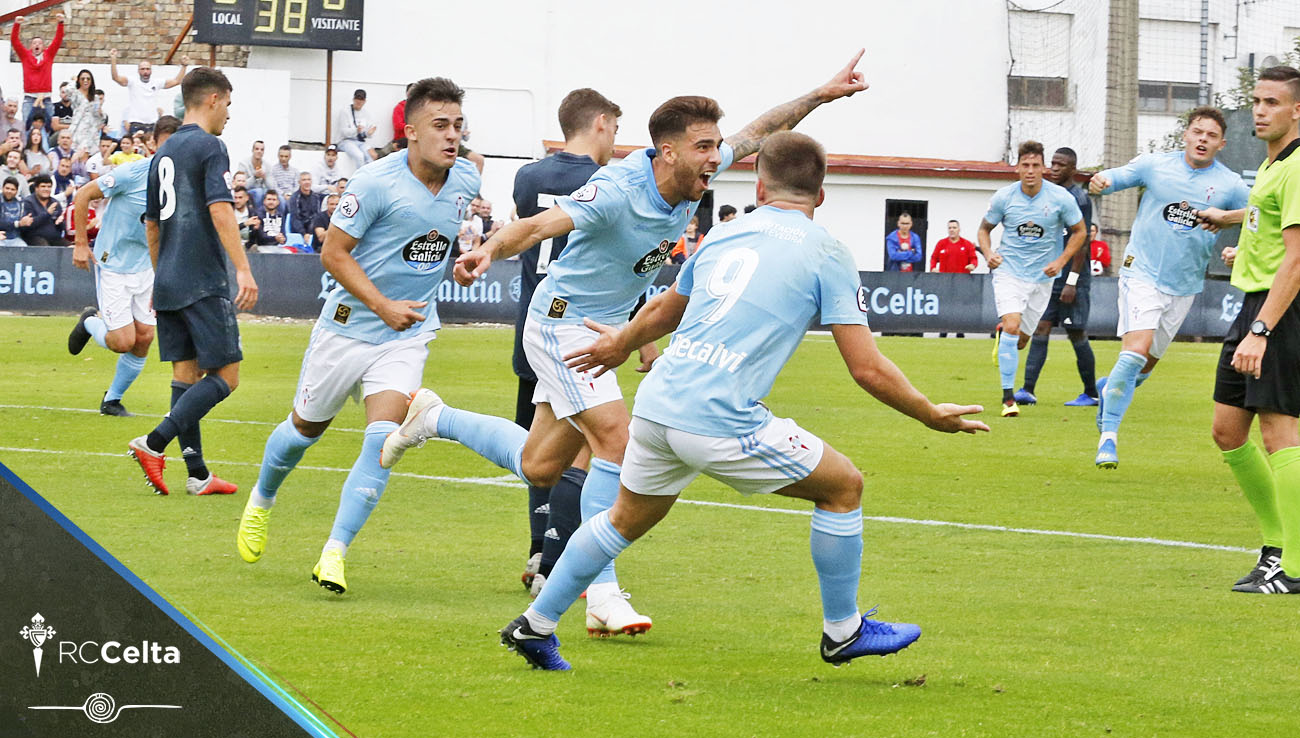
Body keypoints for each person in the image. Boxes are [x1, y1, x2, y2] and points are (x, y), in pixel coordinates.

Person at [382, 51, 870, 636]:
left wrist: (823, 92)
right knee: (617, 437)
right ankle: (602, 596)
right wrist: (488, 250)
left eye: (718, 146)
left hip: (607, 330)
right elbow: (540, 226)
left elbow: (764, 129)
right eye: (705, 147)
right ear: (668, 152)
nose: (718, 157)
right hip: (562, 323)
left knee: (541, 464)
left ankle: (435, 418)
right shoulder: (616, 188)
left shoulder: (698, 170)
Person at [498, 131, 989, 671]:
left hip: (659, 407)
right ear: (820, 195)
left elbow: (665, 309)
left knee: (621, 521)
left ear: (758, 186)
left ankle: (535, 626)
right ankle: (843, 632)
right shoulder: (828, 252)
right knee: (844, 486)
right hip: (719, 417)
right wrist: (929, 412)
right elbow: (866, 367)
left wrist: (620, 342)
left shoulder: (723, 234)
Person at [234, 77, 481, 594]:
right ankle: (261, 499)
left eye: (458, 125)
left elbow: (434, 246)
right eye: (440, 125)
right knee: (303, 431)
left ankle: (334, 552)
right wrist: (381, 304)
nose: (452, 135)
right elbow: (334, 254)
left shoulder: (467, 179)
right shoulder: (373, 182)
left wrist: (458, 268)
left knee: (383, 441)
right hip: (347, 329)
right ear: (409, 131)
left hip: (407, 334)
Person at [1085, 108, 1250, 470]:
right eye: (1197, 131)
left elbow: (1260, 216)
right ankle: (1108, 438)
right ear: (1186, 135)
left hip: (1185, 285)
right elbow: (1119, 176)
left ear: (1221, 144)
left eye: (1211, 135)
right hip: (1140, 272)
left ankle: (1108, 388)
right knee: (1135, 352)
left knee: (1141, 370)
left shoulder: (1230, 185)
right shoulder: (1155, 165)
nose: (1203, 139)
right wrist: (1103, 180)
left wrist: (1236, 240)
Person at [507, 88, 622, 596]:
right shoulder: (609, 183)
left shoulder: (528, 177)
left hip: (531, 325)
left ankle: (540, 551)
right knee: (583, 451)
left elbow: (527, 232)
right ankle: (562, 565)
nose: (616, 141)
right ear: (599, 122)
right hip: (581, 330)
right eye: (616, 128)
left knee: (539, 454)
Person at [127, 67, 258, 497]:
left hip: (167, 277)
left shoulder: (161, 155)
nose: (229, 115)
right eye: (229, 105)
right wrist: (243, 268)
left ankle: (198, 474)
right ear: (214, 100)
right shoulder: (210, 146)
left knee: (186, 375)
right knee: (228, 374)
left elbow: (151, 225)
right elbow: (221, 209)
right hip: (202, 278)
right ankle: (154, 443)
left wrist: (162, 273)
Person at [1193, 66, 1300, 594]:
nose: (1260, 110)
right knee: (1227, 430)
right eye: (1256, 100)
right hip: (1255, 305)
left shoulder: (1299, 166)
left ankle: (1295, 566)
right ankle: (1276, 549)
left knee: (1280, 433)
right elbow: (1273, 226)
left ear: (1297, 110)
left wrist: (1261, 328)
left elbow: (1298, 260)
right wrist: (1236, 225)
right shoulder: (1273, 166)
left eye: (1273, 102)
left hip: (1278, 313)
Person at [66, 116, 184, 419]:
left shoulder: (180, 184)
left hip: (146, 267)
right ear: (154, 144)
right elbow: (83, 195)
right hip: (114, 264)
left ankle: (112, 400)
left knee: (144, 337)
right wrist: (81, 243)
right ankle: (90, 321)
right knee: (122, 342)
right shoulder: (131, 173)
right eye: (166, 145)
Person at [976, 140, 1086, 417]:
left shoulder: (1060, 198)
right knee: (1013, 325)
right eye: (1025, 165)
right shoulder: (1004, 197)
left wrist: (1061, 261)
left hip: (1042, 278)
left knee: (1022, 339)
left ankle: (1005, 337)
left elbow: (1080, 232)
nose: (1030, 170)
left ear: (1043, 168)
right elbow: (983, 229)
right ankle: (1008, 399)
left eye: (1035, 165)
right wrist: (989, 253)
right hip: (1009, 272)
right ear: (1017, 168)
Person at [1015, 147, 1098, 408]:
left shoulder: (1080, 198)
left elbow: (1081, 240)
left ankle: (1091, 393)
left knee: (1076, 333)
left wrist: (1072, 281)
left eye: (1060, 165)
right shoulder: (1050, 195)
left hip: (1073, 277)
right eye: (1052, 163)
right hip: (1049, 275)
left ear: (1072, 169)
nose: (1054, 169)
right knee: (1041, 327)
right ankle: (1027, 390)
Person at [109, 49, 187, 136]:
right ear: (138, 71)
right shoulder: (132, 81)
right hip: (136, 123)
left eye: (147, 69)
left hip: (152, 124)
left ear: (151, 70)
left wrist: (184, 66)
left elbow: (176, 81)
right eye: (142, 69)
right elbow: (116, 78)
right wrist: (113, 59)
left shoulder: (156, 82)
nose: (145, 72)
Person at [11, 12, 65, 130]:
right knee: (26, 127)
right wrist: (16, 25)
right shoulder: (25, 55)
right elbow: (15, 42)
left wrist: (61, 23)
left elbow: (57, 40)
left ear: (43, 46)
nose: (37, 45)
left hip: (46, 98)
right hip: (30, 97)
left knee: (48, 128)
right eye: (34, 43)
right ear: (31, 46)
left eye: (39, 43)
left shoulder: (48, 55)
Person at [334, 89, 377, 166]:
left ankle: (369, 177)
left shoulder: (366, 113)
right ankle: (360, 177)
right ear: (353, 99)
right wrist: (356, 130)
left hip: (360, 142)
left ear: (364, 101)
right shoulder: (345, 111)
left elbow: (367, 133)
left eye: (361, 99)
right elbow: (344, 132)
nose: (359, 101)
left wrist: (369, 133)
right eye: (357, 98)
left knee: (371, 157)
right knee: (359, 156)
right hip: (345, 141)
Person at [19, 173, 65, 245]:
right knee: (45, 248)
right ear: (36, 188)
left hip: (54, 238)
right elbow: (27, 226)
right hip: (34, 237)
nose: (46, 189)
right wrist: (47, 214)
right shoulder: (28, 202)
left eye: (49, 187)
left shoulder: (55, 202)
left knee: (71, 248)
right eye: (43, 186)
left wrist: (60, 222)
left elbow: (61, 227)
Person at [67, 69, 101, 155]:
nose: (85, 81)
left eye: (88, 79)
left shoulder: (95, 97)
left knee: (90, 154)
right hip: (78, 128)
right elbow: (68, 90)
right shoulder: (76, 93)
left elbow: (97, 115)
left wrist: (101, 113)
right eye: (83, 79)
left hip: (91, 130)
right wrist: (74, 80)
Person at [288, 171, 322, 239]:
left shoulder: (316, 197)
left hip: (313, 228)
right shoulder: (294, 198)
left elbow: (318, 215)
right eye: (304, 180)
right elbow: (295, 219)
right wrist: (304, 233)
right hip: (300, 229)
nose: (307, 182)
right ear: (299, 182)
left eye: (309, 179)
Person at [237, 140, 270, 205]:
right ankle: (257, 214)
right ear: (252, 150)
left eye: (262, 150)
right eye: (257, 149)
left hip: (262, 191)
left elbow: (271, 187)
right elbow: (241, 186)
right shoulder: (243, 164)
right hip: (247, 191)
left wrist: (265, 178)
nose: (259, 151)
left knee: (278, 197)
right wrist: (254, 177)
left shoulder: (267, 165)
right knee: (259, 192)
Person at [0, 177, 30, 245]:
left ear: (16, 191)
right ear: (2, 188)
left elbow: (23, 225)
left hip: (16, 238)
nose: (9, 191)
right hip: (1, 237)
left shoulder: (21, 203)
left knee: (23, 247)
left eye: (12, 189)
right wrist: (17, 224)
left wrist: (26, 222)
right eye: (7, 188)